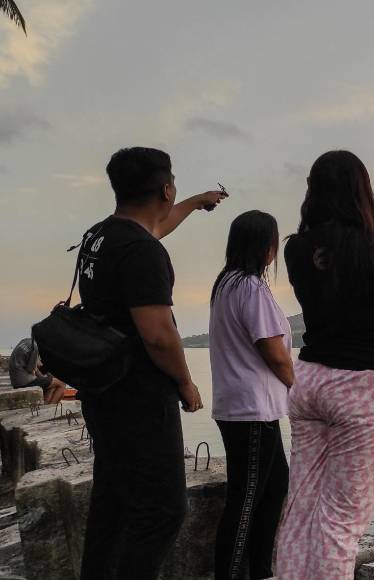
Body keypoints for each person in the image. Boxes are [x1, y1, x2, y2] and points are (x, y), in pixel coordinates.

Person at [275, 150, 374, 579]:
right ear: (362, 191)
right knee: (341, 521)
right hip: (365, 387)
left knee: (301, 506)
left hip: (309, 380)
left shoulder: (297, 249)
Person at [77, 147, 227, 580]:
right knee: (163, 510)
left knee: (113, 500)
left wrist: (197, 203)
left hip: (103, 392)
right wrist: (185, 382)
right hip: (139, 397)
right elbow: (159, 335)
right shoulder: (142, 253)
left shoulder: (100, 237)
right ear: (165, 188)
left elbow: (154, 226)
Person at [209, 210, 293, 580]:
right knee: (246, 501)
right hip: (251, 409)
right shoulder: (250, 287)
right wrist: (300, 385)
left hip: (245, 406)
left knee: (274, 489)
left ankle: (261, 571)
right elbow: (273, 351)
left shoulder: (227, 283)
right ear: (265, 246)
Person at [7, 337, 68, 403]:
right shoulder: (35, 348)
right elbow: (31, 370)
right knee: (62, 383)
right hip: (25, 382)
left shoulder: (26, 341)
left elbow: (35, 364)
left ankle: (46, 406)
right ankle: (52, 408)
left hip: (15, 382)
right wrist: (45, 377)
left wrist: (47, 378)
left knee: (52, 384)